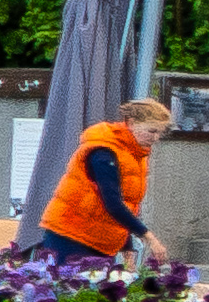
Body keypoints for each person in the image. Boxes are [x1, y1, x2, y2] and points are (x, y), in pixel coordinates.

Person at [36, 96, 177, 268]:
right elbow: (112, 202)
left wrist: (127, 248)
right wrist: (149, 238)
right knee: (69, 290)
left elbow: (125, 204)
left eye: (160, 133)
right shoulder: (104, 151)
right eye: (152, 131)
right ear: (131, 123)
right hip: (70, 234)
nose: (155, 138)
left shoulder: (135, 153)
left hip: (100, 239)